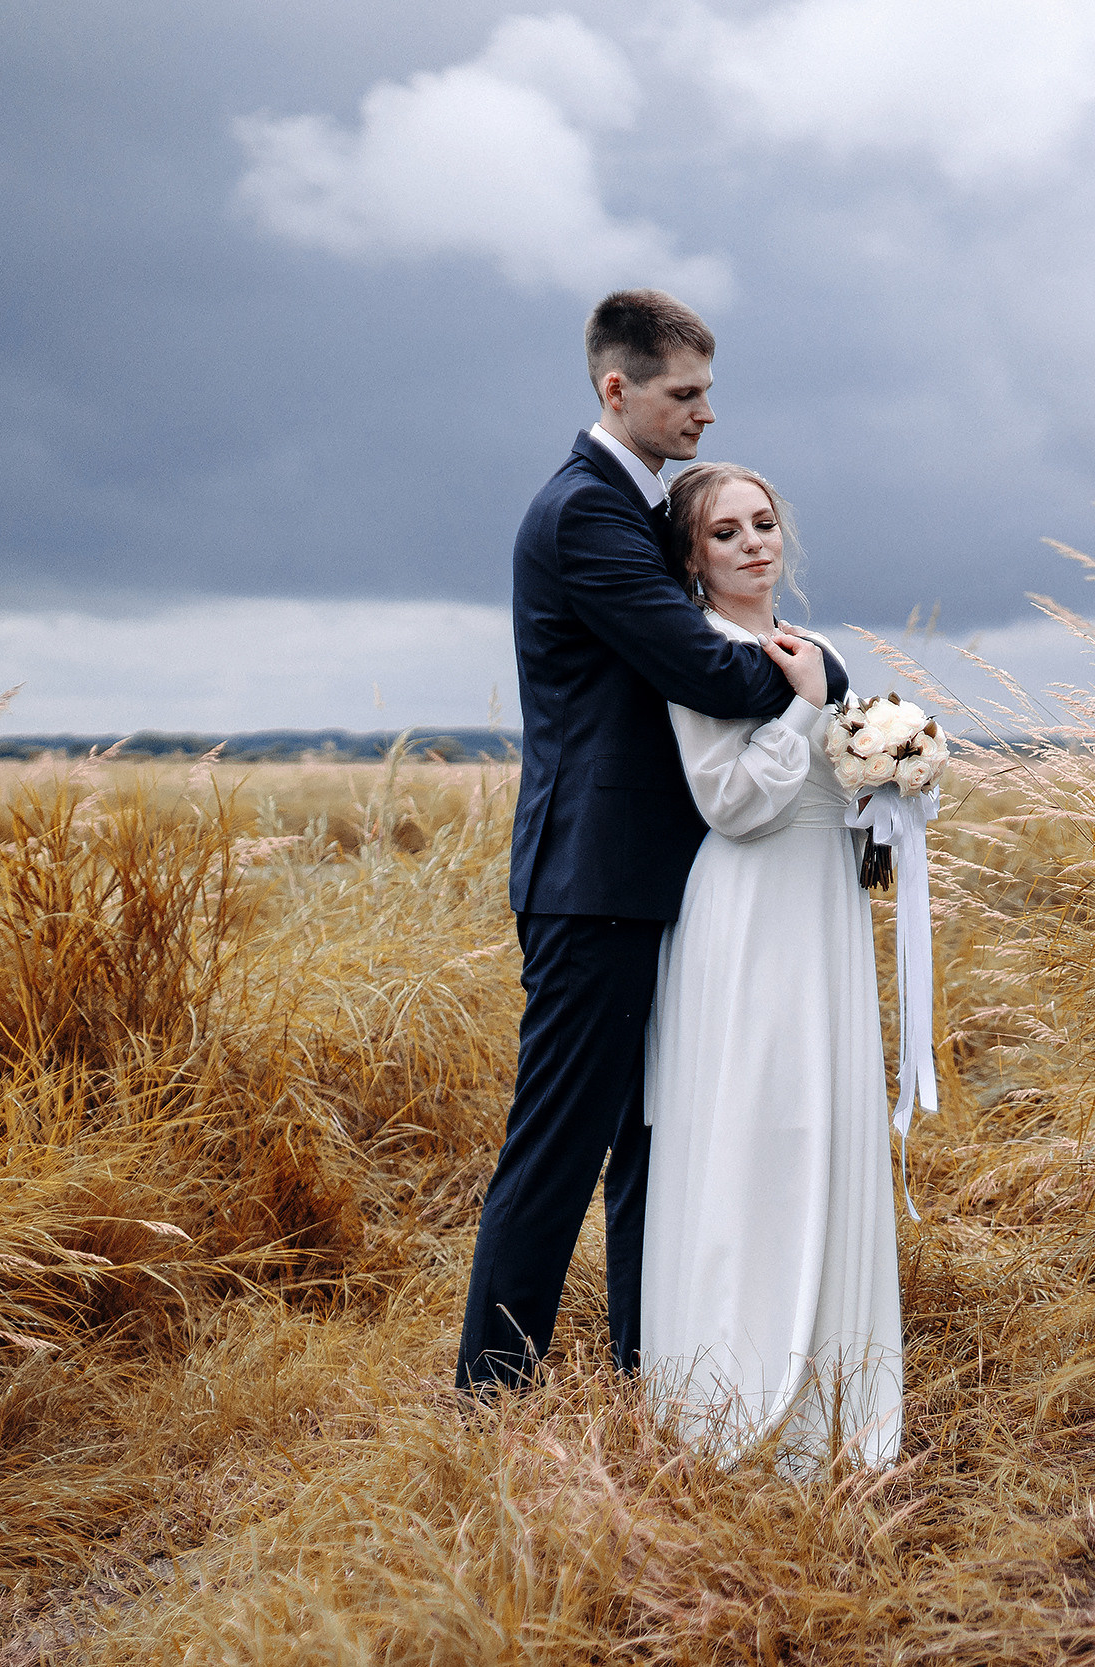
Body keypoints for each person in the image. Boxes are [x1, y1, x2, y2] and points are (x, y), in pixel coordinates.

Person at [456, 291, 838, 1393]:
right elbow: (711, 670)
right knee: (562, 1145)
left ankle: (646, 1365)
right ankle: (490, 1395)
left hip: (651, 883)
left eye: (708, 390)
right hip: (595, 881)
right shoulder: (588, 513)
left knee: (649, 1145)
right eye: (685, 393)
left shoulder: (635, 508)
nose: (706, 413)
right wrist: (832, 678)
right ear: (617, 388)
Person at [640, 460, 901, 1467]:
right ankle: (737, 1399)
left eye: (762, 523)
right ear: (693, 558)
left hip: (823, 906)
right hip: (747, 910)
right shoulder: (695, 651)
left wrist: (894, 778)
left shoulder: (821, 644)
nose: (754, 542)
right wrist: (798, 709)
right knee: (758, 1123)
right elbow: (730, 802)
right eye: (724, 533)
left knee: (826, 1122)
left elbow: (837, 791)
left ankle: (838, 1404)